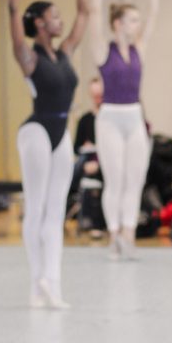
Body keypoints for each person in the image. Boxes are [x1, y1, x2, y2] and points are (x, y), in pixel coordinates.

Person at [9, 0, 89, 308]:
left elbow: (86, 13)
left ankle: (52, 285)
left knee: (56, 211)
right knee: (38, 205)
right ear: (39, 23)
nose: (60, 21)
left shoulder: (66, 52)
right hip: (36, 131)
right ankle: (34, 281)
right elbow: (13, 12)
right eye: (54, 16)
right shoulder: (28, 58)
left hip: (62, 131)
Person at [89, 0, 158, 260]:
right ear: (117, 23)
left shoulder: (139, 49)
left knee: (136, 179)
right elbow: (92, 13)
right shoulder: (104, 49)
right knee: (115, 179)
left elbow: (154, 15)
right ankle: (114, 236)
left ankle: (128, 235)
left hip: (134, 116)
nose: (137, 25)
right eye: (132, 20)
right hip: (110, 118)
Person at [70, 76, 105, 235]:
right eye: (95, 96)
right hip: (87, 161)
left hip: (105, 162)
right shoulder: (85, 120)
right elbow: (76, 147)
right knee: (82, 161)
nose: (98, 99)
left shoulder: (108, 119)